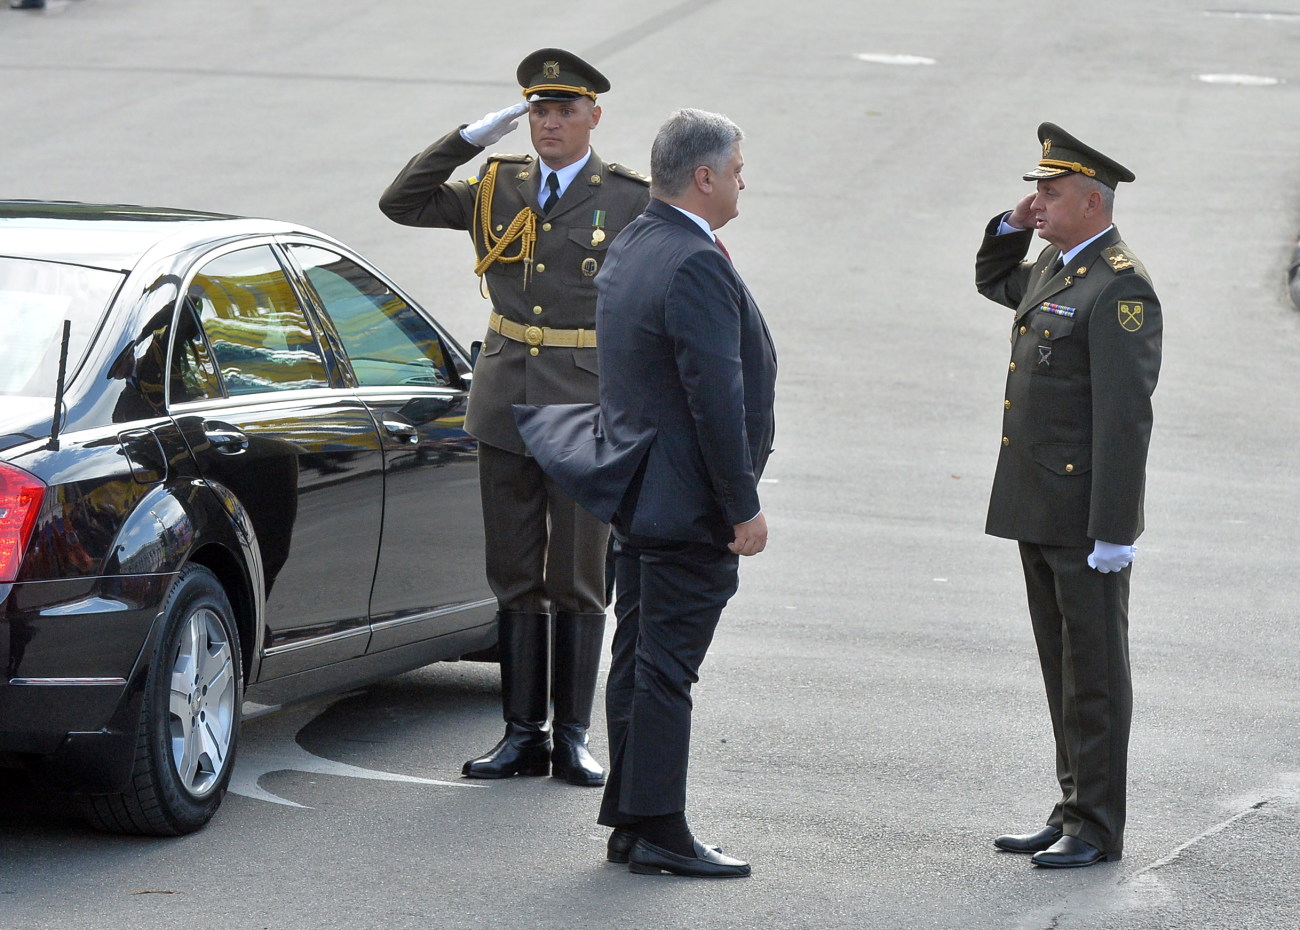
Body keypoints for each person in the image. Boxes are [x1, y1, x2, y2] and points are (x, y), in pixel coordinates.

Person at [515, 108, 777, 878]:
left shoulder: (636, 238)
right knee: (664, 671)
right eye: (736, 168)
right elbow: (713, 400)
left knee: (638, 661)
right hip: (686, 502)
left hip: (639, 491)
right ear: (704, 176)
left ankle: (634, 822)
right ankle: (659, 827)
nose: (741, 181)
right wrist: (741, 506)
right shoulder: (694, 262)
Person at [378, 49, 650, 787]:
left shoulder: (626, 198)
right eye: (538, 110)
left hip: (587, 402)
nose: (549, 123)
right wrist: (467, 138)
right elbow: (400, 202)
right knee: (514, 572)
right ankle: (521, 734)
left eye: (564, 110)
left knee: (580, 575)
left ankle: (573, 736)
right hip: (504, 401)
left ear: (595, 115)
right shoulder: (497, 185)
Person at [975, 123, 1162, 868]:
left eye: (1050, 194)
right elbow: (996, 281)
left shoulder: (1120, 286)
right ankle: (1072, 803)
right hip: (1038, 504)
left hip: (1084, 516)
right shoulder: (1058, 262)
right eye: (1037, 192)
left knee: (1097, 673)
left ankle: (1098, 824)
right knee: (1062, 665)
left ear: (1092, 201)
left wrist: (1115, 527)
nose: (1038, 202)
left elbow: (1125, 417)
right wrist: (1009, 227)